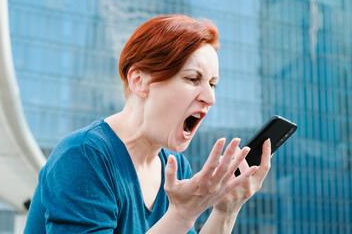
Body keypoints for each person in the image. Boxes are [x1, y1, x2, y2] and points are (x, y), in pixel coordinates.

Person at [24, 15, 271, 234]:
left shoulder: (174, 167)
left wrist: (226, 210)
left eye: (213, 84)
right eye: (193, 79)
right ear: (140, 81)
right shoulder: (83, 156)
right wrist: (182, 214)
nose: (210, 98)